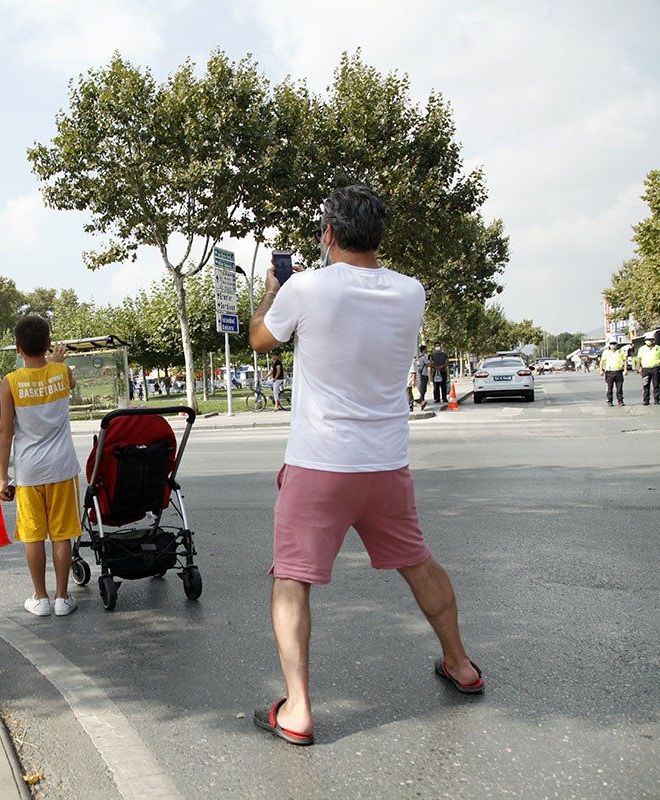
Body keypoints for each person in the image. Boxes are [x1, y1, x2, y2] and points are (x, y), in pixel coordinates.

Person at [248, 185, 483, 746]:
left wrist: (271, 291)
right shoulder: (411, 292)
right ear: (379, 233)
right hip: (385, 464)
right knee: (418, 562)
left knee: (292, 579)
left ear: (329, 234)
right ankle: (461, 663)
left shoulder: (304, 288)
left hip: (318, 465)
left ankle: (299, 709)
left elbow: (261, 340)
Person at [0, 315, 81, 618]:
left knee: (33, 535)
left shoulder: (10, 383)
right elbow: (69, 380)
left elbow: (5, 432)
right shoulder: (61, 372)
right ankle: (61, 597)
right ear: (47, 344)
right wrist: (57, 361)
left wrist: (3, 477)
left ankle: (40, 598)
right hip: (62, 469)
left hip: (30, 473)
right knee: (61, 535)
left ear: (17, 347)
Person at [637, 333, 660, 405]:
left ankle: (656, 399)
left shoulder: (658, 348)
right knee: (646, 384)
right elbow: (639, 359)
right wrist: (639, 368)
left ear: (653, 340)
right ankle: (646, 400)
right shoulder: (642, 349)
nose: (648, 341)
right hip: (645, 369)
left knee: (656, 385)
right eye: (647, 340)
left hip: (655, 368)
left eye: (650, 340)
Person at [601, 341, 626, 406]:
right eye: (611, 344)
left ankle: (620, 401)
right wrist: (601, 370)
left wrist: (625, 370)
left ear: (617, 345)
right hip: (609, 371)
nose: (613, 345)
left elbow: (625, 360)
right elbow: (602, 361)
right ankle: (609, 401)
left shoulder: (621, 351)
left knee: (619, 388)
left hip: (618, 371)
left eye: (614, 344)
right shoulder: (606, 352)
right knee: (609, 388)